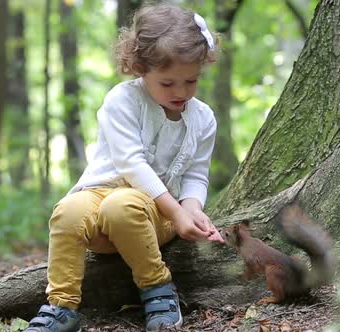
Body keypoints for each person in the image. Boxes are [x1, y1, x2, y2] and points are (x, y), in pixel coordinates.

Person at [24, 3, 223, 332]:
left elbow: (196, 174)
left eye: (191, 81)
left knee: (123, 205)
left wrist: (190, 208)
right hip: (101, 199)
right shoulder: (122, 101)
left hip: (151, 215)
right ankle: (61, 306)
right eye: (168, 83)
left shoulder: (203, 119)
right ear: (140, 68)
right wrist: (178, 212)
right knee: (68, 211)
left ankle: (157, 287)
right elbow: (131, 163)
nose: (181, 92)